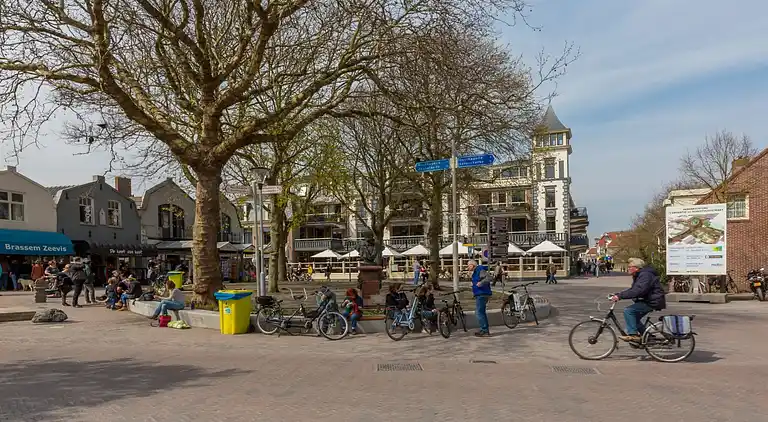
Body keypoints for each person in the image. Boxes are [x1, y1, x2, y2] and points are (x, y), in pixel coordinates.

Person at [610, 258, 666, 342]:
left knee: (629, 311)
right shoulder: (639, 275)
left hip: (652, 301)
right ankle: (646, 337)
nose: (628, 268)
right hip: (648, 300)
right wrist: (618, 294)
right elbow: (634, 289)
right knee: (633, 318)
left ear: (636, 268)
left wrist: (620, 296)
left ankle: (633, 335)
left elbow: (638, 290)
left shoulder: (645, 275)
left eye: (630, 267)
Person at [469, 259, 492, 337]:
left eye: (469, 265)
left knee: (479, 312)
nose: (468, 267)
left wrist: (480, 283)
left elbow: (488, 278)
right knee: (481, 312)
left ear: (473, 265)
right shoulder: (475, 272)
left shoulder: (480, 270)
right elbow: (477, 281)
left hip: (482, 294)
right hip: (480, 294)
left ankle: (484, 330)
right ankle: (484, 329)